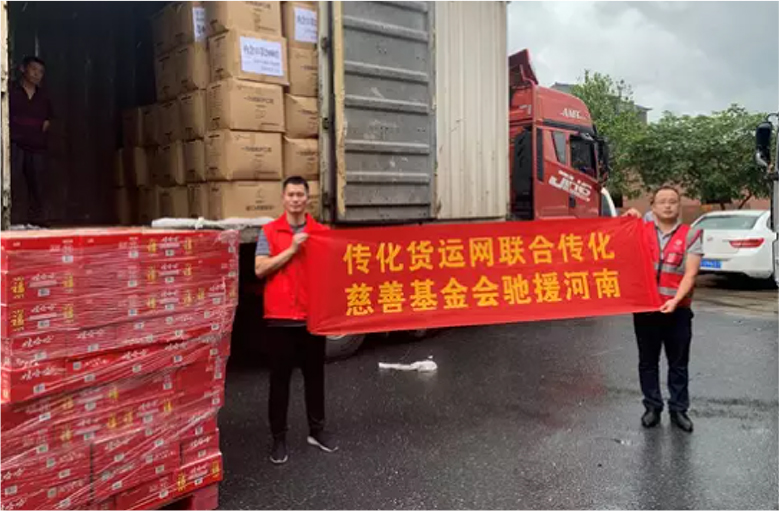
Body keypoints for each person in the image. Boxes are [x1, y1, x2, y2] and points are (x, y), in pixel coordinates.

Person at [254, 176, 338, 464]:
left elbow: (334, 271)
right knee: (279, 381)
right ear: (283, 198)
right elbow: (260, 269)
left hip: (312, 318)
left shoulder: (321, 233)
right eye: (290, 194)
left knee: (315, 378)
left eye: (300, 194)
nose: (295, 199)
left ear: (307, 198)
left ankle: (317, 430)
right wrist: (291, 249)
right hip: (279, 318)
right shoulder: (269, 231)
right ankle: (278, 438)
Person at [623, 186, 703, 433]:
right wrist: (625, 221)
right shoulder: (640, 231)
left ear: (679, 206)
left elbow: (691, 274)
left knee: (678, 363)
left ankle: (678, 410)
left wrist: (675, 300)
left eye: (673, 201)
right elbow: (614, 245)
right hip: (646, 311)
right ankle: (652, 407)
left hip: (678, 312)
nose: (668, 205)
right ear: (653, 207)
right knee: (648, 362)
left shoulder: (691, 235)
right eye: (662, 201)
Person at [9, 56, 53, 226]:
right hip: (14, 145)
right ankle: (11, 221)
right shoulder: (11, 91)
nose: (36, 74)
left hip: (36, 147)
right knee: (12, 182)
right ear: (23, 69)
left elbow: (48, 120)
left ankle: (38, 221)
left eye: (40, 72)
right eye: (33, 69)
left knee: (38, 185)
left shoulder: (44, 97)